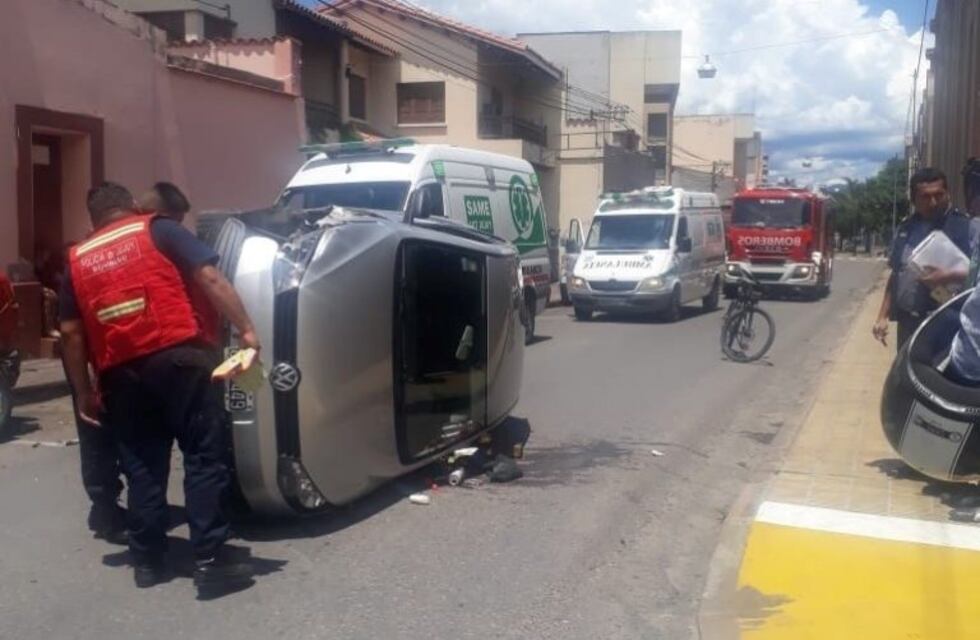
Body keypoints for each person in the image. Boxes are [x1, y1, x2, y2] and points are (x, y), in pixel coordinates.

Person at [60, 182, 261, 591]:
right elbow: (209, 276)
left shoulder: (76, 260)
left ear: (93, 220)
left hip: (120, 375)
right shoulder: (157, 229)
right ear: (131, 206)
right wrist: (247, 331)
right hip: (178, 357)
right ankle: (210, 558)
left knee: (141, 465)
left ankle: (147, 561)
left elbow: (70, 333)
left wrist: (84, 390)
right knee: (204, 457)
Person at [873, 167, 977, 350]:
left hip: (946, 323)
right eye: (925, 197)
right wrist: (882, 316)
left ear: (948, 194)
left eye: (939, 194)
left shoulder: (968, 227)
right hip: (908, 323)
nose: (934, 202)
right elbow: (896, 274)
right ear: (914, 200)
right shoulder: (906, 229)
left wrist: (948, 276)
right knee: (905, 373)